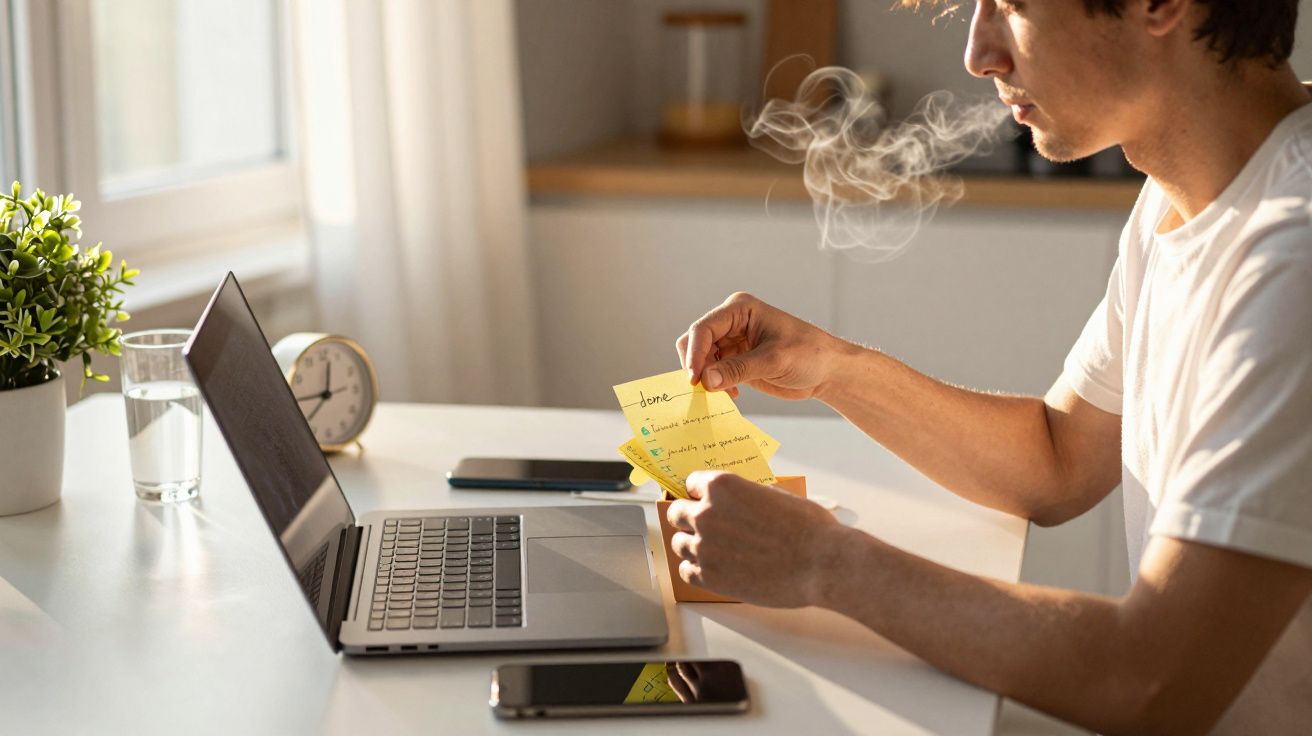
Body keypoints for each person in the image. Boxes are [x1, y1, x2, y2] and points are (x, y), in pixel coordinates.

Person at [666, 1, 1312, 733]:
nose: (979, 55)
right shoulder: (1183, 198)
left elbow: (1149, 680)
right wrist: (832, 368)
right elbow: (1058, 460)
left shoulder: (1295, 254)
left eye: (1012, 5)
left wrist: (820, 561)